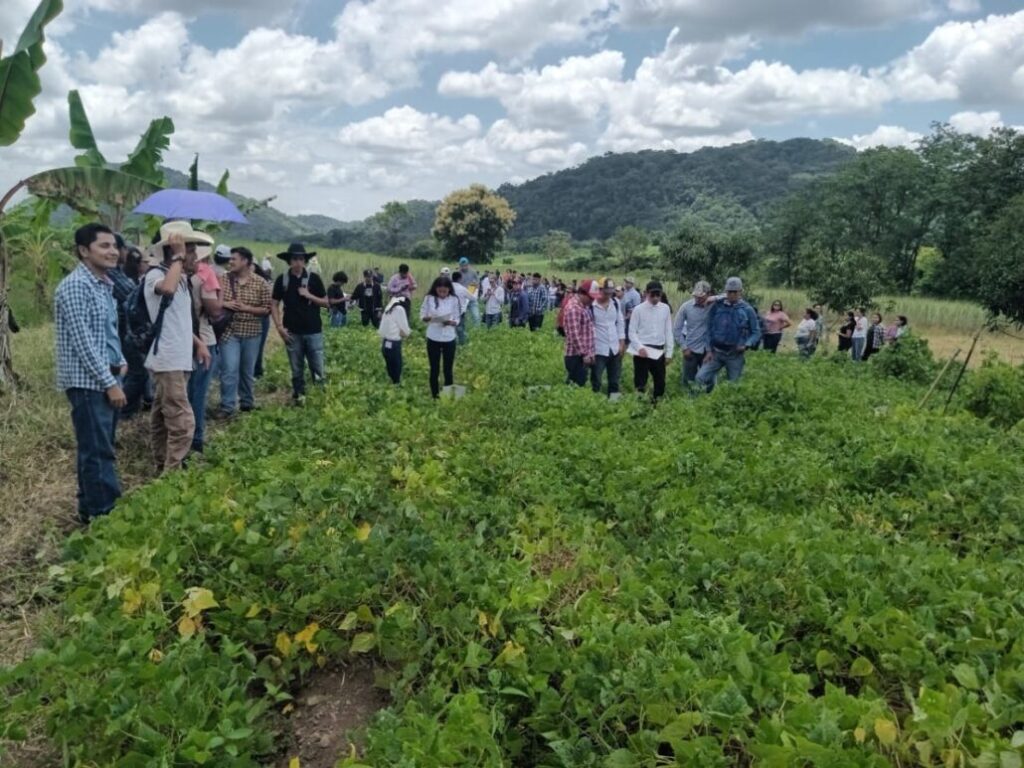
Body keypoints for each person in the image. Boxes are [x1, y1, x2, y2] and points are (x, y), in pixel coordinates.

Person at [54, 223, 127, 522]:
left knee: (100, 448)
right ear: (84, 251)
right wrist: (110, 383)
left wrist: (120, 360)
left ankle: (90, 509)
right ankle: (103, 516)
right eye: (104, 246)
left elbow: (107, 332)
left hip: (108, 376)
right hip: (90, 383)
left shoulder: (103, 284)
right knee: (98, 452)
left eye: (114, 246)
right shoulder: (75, 286)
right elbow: (84, 342)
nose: (113, 252)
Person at [145, 222, 213, 473]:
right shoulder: (155, 276)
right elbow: (167, 289)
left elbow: (179, 321)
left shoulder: (182, 280)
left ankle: (162, 463)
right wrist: (178, 256)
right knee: (183, 423)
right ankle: (172, 473)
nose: (194, 257)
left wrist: (198, 343)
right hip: (168, 359)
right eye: (190, 250)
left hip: (178, 358)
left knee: (163, 417)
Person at [217, 246, 271, 419]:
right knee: (229, 369)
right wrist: (226, 304)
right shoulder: (224, 279)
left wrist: (247, 308)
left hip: (252, 332)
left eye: (234, 259)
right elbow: (213, 300)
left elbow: (267, 309)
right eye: (230, 259)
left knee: (246, 370)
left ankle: (247, 402)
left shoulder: (260, 282)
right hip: (229, 332)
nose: (230, 261)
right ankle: (227, 406)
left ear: (245, 261)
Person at [271, 243, 328, 405]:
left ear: (305, 261)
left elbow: (326, 303)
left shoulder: (314, 279)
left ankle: (320, 397)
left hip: (313, 330)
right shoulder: (283, 280)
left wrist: (309, 295)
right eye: (294, 259)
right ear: (289, 261)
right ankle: (299, 397)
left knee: (317, 366)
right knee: (296, 368)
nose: (298, 262)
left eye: (301, 259)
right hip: (292, 331)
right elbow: (274, 303)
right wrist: (279, 327)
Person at [186, 243, 224, 453]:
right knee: (198, 393)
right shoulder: (205, 274)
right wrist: (222, 292)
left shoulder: (182, 276)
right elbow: (215, 310)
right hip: (204, 338)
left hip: (185, 339)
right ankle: (196, 438)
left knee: (186, 392)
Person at [695, 276, 761, 392]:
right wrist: (709, 350)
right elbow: (709, 329)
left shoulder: (747, 309)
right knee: (700, 378)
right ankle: (699, 404)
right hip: (716, 353)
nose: (732, 294)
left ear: (740, 292)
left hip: (735, 354)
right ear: (726, 292)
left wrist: (746, 344)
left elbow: (756, 332)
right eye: (729, 292)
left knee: (734, 387)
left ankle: (728, 406)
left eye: (735, 292)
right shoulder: (717, 306)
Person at [628, 280, 674, 401]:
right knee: (640, 382)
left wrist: (669, 353)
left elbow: (668, 331)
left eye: (658, 295)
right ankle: (639, 406)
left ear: (661, 294)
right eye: (652, 295)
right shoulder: (638, 309)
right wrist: (639, 347)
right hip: (642, 351)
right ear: (646, 294)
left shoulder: (665, 309)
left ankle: (656, 404)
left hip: (658, 351)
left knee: (660, 382)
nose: (655, 298)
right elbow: (632, 332)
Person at [419, 276, 461, 398]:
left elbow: (457, 318)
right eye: (440, 291)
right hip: (433, 337)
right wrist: (428, 318)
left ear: (449, 289)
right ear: (435, 289)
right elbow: (422, 315)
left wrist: (452, 322)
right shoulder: (429, 298)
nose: (442, 294)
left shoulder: (454, 299)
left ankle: (448, 396)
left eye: (445, 291)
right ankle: (435, 396)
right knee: (434, 368)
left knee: (448, 369)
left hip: (449, 337)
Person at [673, 280, 714, 393]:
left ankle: (707, 402)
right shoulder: (686, 307)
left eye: (701, 297)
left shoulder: (714, 306)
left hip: (708, 350)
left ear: (709, 294)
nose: (698, 299)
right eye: (696, 296)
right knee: (688, 381)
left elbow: (728, 297)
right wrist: (684, 347)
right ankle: (690, 404)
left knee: (709, 380)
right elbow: (676, 329)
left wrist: (715, 298)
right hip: (691, 350)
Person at [591, 278, 625, 397]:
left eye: (611, 293)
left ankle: (614, 405)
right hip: (598, 349)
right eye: (606, 293)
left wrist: (621, 343)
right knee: (596, 380)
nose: (609, 296)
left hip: (614, 348)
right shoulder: (592, 305)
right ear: (599, 290)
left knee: (614, 381)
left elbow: (620, 323)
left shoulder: (615, 303)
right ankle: (595, 404)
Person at [563, 280, 596, 386]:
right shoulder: (574, 308)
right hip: (576, 355)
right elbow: (574, 335)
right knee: (576, 386)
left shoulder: (584, 306)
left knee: (578, 384)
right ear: (583, 294)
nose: (593, 300)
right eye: (591, 297)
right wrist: (585, 354)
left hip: (583, 355)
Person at [379, 296, 411, 384]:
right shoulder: (400, 309)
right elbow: (405, 331)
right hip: (394, 344)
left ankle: (392, 384)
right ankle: (396, 386)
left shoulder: (389, 308)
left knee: (390, 366)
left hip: (385, 343)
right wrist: (407, 333)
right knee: (396, 367)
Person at [451, 271, 471, 345]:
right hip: (460, 312)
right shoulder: (462, 289)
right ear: (460, 279)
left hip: (449, 312)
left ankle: (452, 344)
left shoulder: (448, 287)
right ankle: (462, 345)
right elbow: (472, 298)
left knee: (450, 329)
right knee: (460, 329)